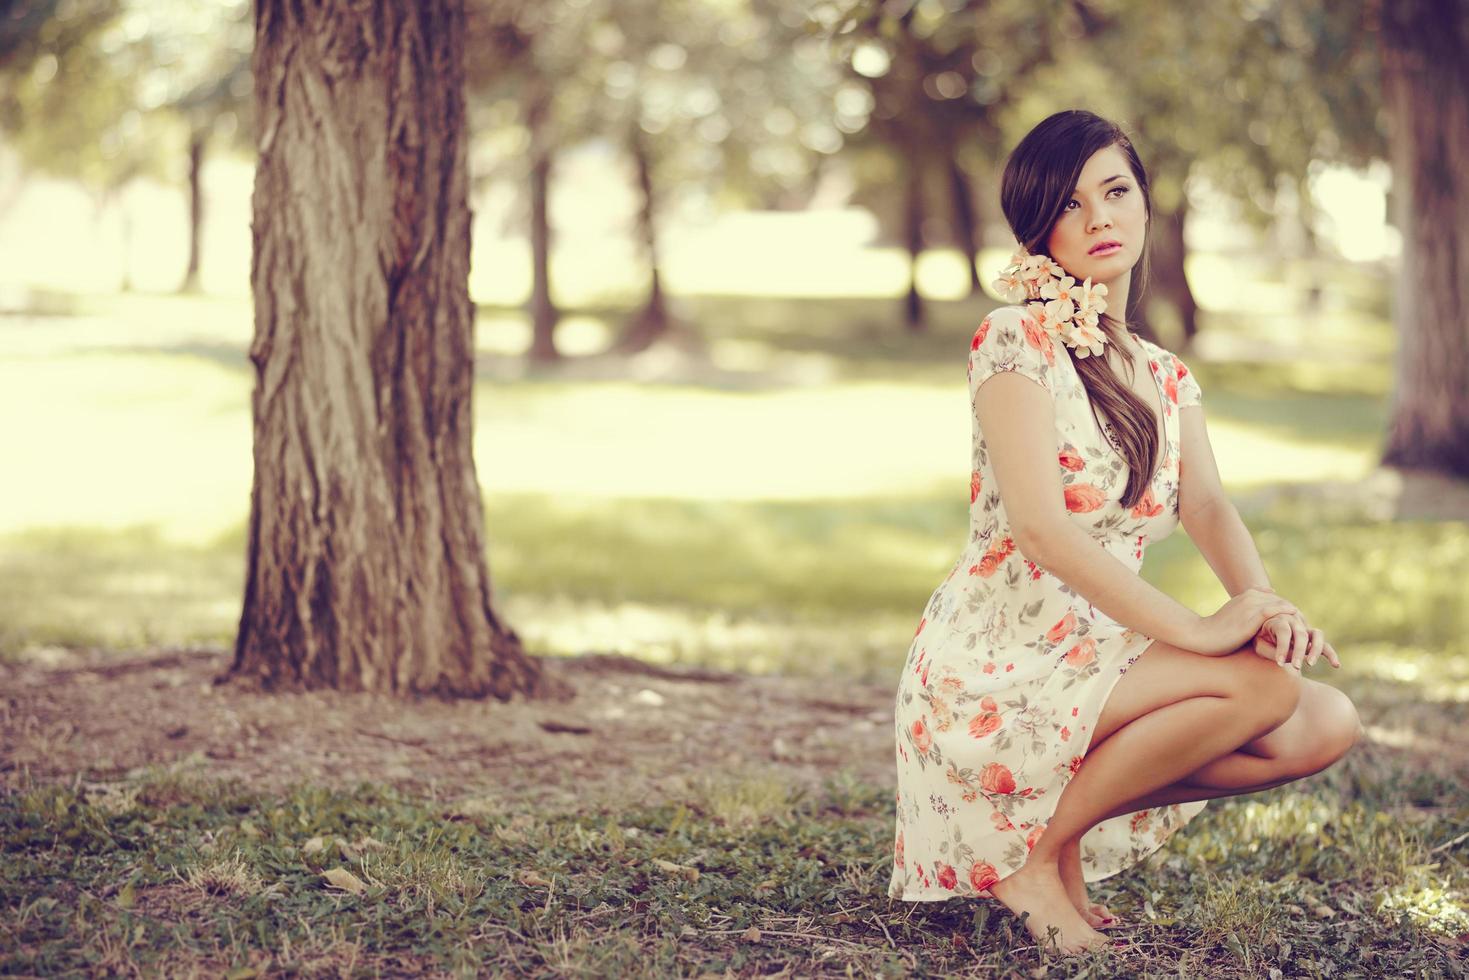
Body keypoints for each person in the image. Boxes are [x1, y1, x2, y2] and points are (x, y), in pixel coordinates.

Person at [885, 109, 1363, 956]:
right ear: (1038, 228)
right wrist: (1200, 629)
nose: (1099, 218)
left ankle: (1052, 839)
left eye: (1115, 191)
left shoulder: (1165, 373)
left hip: (1099, 645)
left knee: (1321, 721)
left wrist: (1260, 604)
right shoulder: (1014, 338)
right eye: (1070, 205)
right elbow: (1038, 528)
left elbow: (1208, 508)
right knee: (1257, 691)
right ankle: (1034, 859)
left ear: (1146, 202)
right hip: (1001, 656)